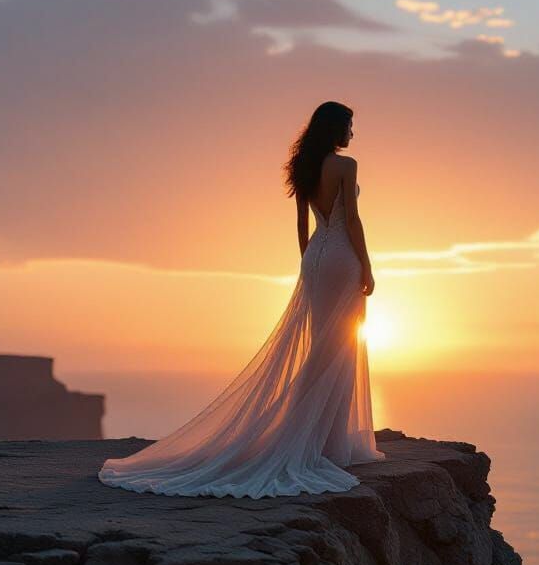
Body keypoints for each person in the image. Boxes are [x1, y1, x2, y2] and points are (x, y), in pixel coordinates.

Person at [97, 100, 386, 498]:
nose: (353, 134)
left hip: (317, 258)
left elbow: (302, 223)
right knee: (337, 347)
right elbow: (352, 220)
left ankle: (316, 437)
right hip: (341, 258)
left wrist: (307, 263)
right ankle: (323, 443)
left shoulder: (303, 166)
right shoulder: (345, 165)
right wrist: (367, 266)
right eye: (350, 126)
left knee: (322, 346)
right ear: (336, 128)